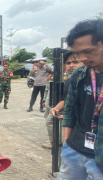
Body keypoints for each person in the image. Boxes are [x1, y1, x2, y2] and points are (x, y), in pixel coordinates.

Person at [57, 19, 103, 179]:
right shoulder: (80, 74)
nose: (83, 58)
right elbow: (69, 110)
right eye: (78, 53)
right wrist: (66, 144)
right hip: (75, 148)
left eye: (88, 51)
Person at [41, 51, 83, 149]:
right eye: (68, 63)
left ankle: (55, 143)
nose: (71, 66)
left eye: (75, 62)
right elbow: (66, 99)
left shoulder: (88, 81)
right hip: (71, 118)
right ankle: (56, 142)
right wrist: (55, 108)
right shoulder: (69, 81)